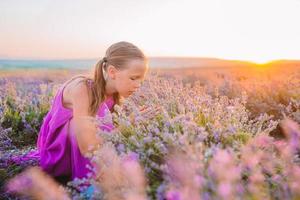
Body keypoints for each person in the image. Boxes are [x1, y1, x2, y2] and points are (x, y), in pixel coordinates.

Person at [36, 41, 151, 182]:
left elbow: (108, 135)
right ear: (112, 72)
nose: (138, 85)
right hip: (59, 154)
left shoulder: (114, 95)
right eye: (133, 78)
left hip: (87, 150)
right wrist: (127, 124)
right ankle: (91, 184)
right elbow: (87, 147)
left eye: (141, 80)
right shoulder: (83, 89)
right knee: (83, 125)